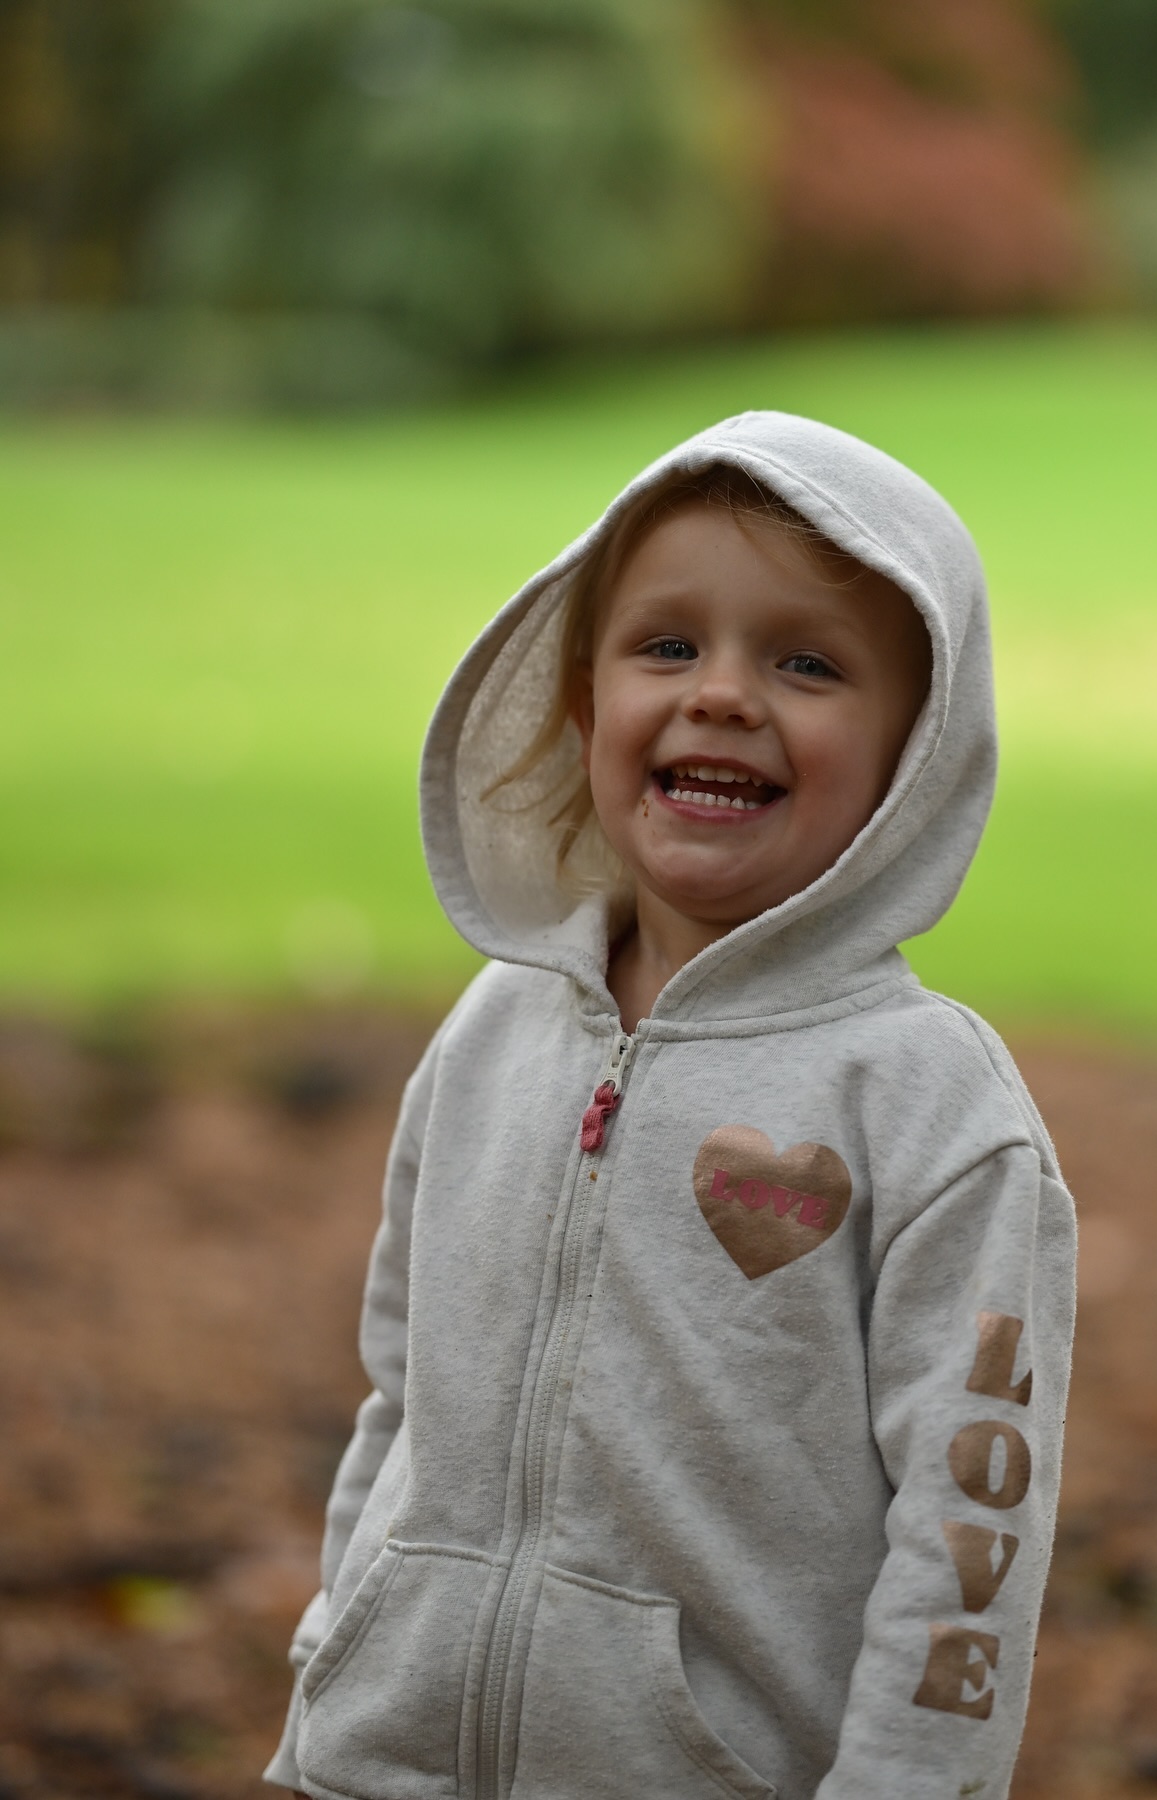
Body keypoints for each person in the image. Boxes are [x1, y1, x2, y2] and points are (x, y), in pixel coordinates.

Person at [266, 411, 1077, 1800]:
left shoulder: (933, 1110)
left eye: (807, 664)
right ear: (586, 703)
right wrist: (325, 1686)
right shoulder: (492, 1035)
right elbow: (402, 1405)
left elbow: (968, 1535)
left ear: (912, 760)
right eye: (667, 645)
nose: (721, 694)